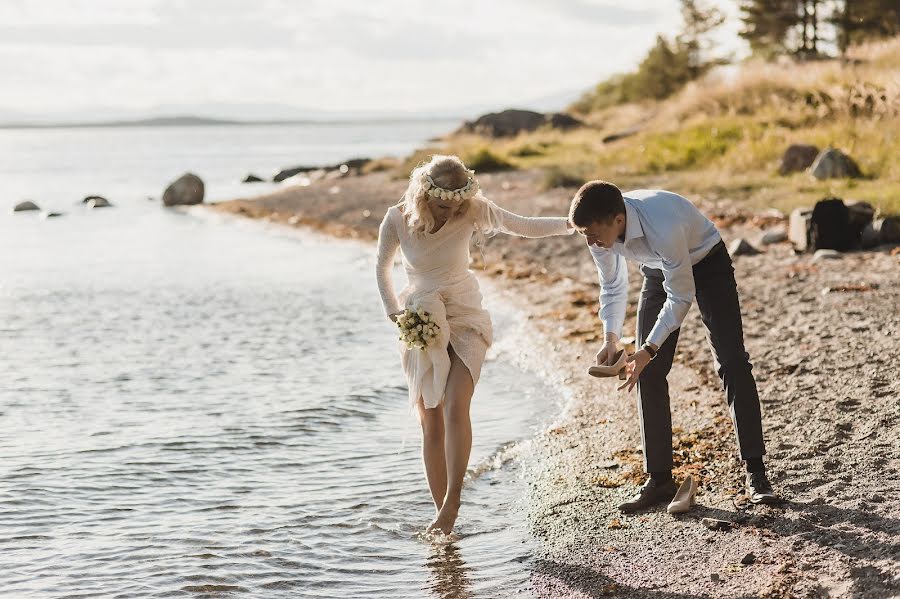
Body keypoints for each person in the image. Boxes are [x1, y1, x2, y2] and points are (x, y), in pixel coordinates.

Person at [375, 155, 573, 534]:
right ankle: (443, 517)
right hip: (421, 318)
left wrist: (570, 225)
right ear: (423, 195)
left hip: (465, 315)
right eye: (442, 205)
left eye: (455, 205)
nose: (451, 212)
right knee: (430, 418)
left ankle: (452, 504)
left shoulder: (472, 209)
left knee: (454, 407)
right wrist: (393, 311)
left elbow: (522, 225)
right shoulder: (396, 219)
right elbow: (382, 267)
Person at [568, 181, 778, 512]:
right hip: (656, 269)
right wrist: (612, 338)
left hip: (707, 261)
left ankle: (756, 473)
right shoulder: (597, 233)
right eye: (585, 234)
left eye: (593, 233)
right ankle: (660, 479)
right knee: (646, 373)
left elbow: (681, 296)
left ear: (617, 220)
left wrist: (649, 348)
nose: (590, 241)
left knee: (732, 362)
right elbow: (611, 284)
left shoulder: (661, 223)